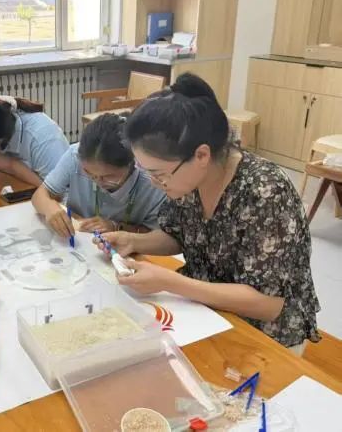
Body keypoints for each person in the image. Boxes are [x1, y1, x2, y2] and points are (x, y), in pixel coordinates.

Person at [94, 73, 320, 352]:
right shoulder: (188, 180)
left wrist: (170, 282)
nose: (154, 182)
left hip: (263, 335)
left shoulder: (265, 191)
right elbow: (179, 235)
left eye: (159, 174)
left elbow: (269, 304)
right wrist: (132, 241)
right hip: (204, 312)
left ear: (201, 155)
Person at [32, 113, 166, 239]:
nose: (98, 182)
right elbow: (39, 195)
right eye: (88, 173)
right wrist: (49, 207)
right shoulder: (75, 156)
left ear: (132, 163)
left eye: (108, 177)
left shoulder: (154, 182)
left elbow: (161, 237)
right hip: (79, 239)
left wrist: (117, 227)